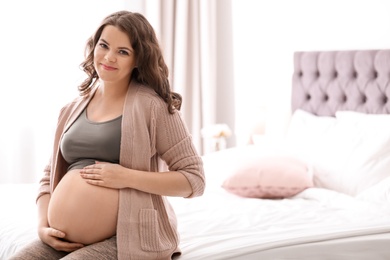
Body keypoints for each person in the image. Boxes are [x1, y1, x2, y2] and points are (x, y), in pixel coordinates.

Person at [9, 10, 205, 260]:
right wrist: (42, 226)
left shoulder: (154, 107)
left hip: (129, 236)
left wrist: (125, 176)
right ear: (94, 47)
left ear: (138, 59)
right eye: (104, 45)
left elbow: (194, 180)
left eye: (123, 51)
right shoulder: (71, 109)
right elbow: (49, 176)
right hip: (61, 238)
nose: (109, 57)